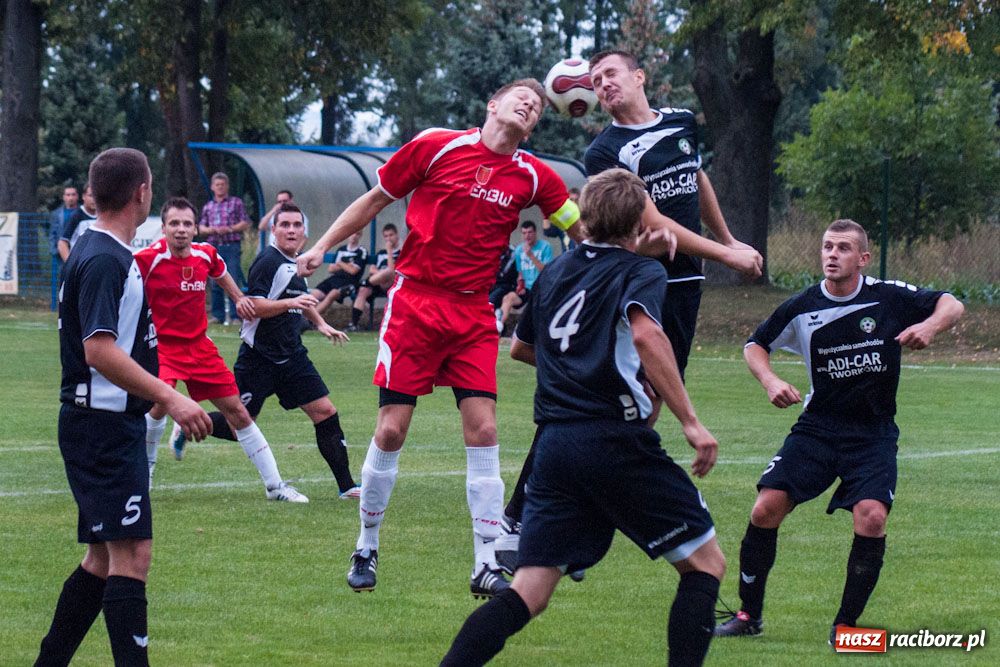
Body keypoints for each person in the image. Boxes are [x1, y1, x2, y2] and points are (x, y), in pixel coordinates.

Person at [296, 78, 585, 598]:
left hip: (473, 313)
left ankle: (485, 563)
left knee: (484, 429)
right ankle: (366, 545)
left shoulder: (534, 176)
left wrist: (618, 255)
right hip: (415, 304)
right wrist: (321, 247)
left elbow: (578, 227)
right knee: (391, 432)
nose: (530, 106)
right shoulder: (436, 145)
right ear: (492, 103)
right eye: (522, 98)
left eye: (539, 107)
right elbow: (373, 199)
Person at [495, 49, 766, 575]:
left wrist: (729, 235)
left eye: (610, 74)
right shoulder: (605, 152)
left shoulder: (682, 123)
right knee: (601, 404)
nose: (602, 85)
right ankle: (521, 519)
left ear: (639, 77)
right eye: (595, 82)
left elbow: (697, 180)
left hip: (683, 286)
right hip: (636, 278)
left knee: (643, 407)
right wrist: (726, 253)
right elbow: (653, 218)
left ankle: (574, 526)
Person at [441, 169, 725, 667]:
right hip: (614, 441)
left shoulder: (554, 272)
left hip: (554, 447)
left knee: (529, 590)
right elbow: (645, 337)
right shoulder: (644, 272)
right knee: (706, 564)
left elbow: (521, 348)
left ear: (585, 215)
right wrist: (691, 421)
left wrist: (576, 366)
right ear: (640, 221)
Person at [714, 219, 964, 643]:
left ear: (862, 259)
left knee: (872, 517)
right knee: (765, 509)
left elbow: (952, 304)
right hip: (818, 429)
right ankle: (747, 615)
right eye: (827, 246)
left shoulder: (887, 296)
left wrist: (929, 326)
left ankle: (846, 626)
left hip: (872, 433)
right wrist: (771, 381)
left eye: (843, 248)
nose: (832, 254)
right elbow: (754, 346)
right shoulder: (802, 306)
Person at [36, 147, 212, 666]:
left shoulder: (100, 249)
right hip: (103, 429)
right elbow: (99, 349)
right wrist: (170, 395)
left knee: (101, 560)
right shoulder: (106, 258)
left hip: (104, 425)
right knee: (133, 557)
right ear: (142, 192)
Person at [133, 197, 307, 502]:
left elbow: (220, 271)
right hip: (163, 349)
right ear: (163, 228)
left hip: (200, 348)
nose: (181, 230)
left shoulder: (205, 254)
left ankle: (275, 486)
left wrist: (239, 297)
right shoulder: (148, 259)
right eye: (174, 223)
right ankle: (143, 479)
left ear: (196, 228)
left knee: (238, 411)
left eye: (187, 224)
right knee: (158, 405)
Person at [205, 203, 360, 499]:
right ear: (274, 230)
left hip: (292, 356)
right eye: (284, 225)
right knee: (239, 428)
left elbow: (297, 295)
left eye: (296, 225)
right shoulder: (267, 261)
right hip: (258, 357)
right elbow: (252, 307)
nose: (291, 230)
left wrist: (321, 324)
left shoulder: (297, 261)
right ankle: (189, 425)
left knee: (325, 412)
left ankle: (347, 486)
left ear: (304, 231)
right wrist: (290, 305)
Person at [199, 172, 250, 324]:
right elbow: (201, 228)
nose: (220, 187)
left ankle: (236, 316)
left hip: (231, 246)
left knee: (232, 279)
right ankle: (217, 315)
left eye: (223, 184)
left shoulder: (236, 203)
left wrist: (229, 229)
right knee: (215, 283)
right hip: (214, 247)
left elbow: (245, 222)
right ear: (212, 187)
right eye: (217, 185)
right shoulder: (208, 206)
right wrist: (212, 230)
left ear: (227, 186)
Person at [497, 220, 552, 334]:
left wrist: (531, 256)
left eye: (530, 232)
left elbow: (546, 271)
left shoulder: (545, 247)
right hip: (526, 289)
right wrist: (520, 285)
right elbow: (520, 272)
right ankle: (497, 327)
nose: (527, 235)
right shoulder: (519, 250)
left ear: (535, 233)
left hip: (541, 288)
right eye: (524, 233)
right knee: (508, 298)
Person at [346, 224, 400, 332]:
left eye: (391, 235)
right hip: (376, 283)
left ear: (397, 236)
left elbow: (393, 271)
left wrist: (389, 252)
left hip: (392, 284)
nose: (388, 239)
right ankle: (353, 324)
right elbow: (371, 270)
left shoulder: (401, 253)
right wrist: (381, 273)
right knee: (363, 290)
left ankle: (361, 284)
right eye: (386, 236)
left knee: (388, 271)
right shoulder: (380, 253)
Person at [311, 230, 368, 318]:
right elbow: (331, 269)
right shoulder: (341, 249)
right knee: (313, 295)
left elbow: (353, 271)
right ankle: (305, 319)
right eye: (352, 233)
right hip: (334, 279)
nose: (354, 236)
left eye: (357, 234)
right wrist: (347, 265)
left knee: (332, 294)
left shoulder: (362, 251)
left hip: (349, 282)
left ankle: (310, 320)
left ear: (360, 236)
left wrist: (340, 263)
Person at [57, 183, 97, 261]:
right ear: (83, 196)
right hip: (81, 265)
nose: (94, 199)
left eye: (97, 196)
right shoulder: (77, 216)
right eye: (91, 195)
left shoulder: (104, 216)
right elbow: (62, 243)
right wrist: (70, 265)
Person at [48, 185, 79, 273]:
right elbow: (52, 232)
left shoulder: (82, 212)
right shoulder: (56, 214)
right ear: (64, 197)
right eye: (68, 195)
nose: (71, 197)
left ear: (77, 196)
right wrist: (54, 251)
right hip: (61, 253)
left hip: (78, 251)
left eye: (73, 195)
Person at [488, 244, 518, 334]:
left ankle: (495, 328)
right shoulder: (491, 249)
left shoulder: (512, 252)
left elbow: (503, 273)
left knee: (490, 301)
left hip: (506, 285)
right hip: (492, 283)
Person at [541, 186, 577, 251]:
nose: (574, 203)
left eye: (576, 200)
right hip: (568, 258)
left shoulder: (587, 221)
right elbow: (548, 231)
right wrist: (546, 210)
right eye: (571, 200)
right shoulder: (563, 219)